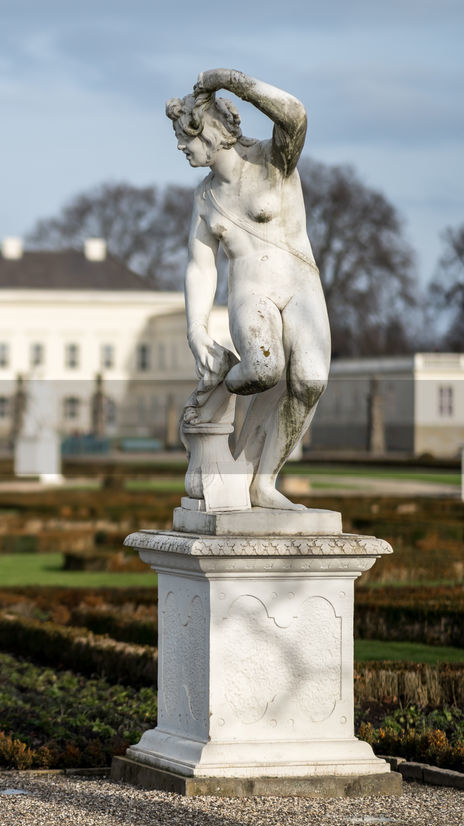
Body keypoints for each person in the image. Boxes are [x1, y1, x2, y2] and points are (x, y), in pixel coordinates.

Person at [168, 69, 329, 510]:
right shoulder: (205, 199)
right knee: (261, 370)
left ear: (213, 132)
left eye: (185, 137)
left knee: (310, 382)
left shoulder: (273, 160)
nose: (181, 147)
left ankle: (263, 483)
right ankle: (216, 395)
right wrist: (196, 330)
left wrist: (228, 81)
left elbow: (295, 115)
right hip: (250, 291)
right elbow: (200, 266)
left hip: (299, 283)